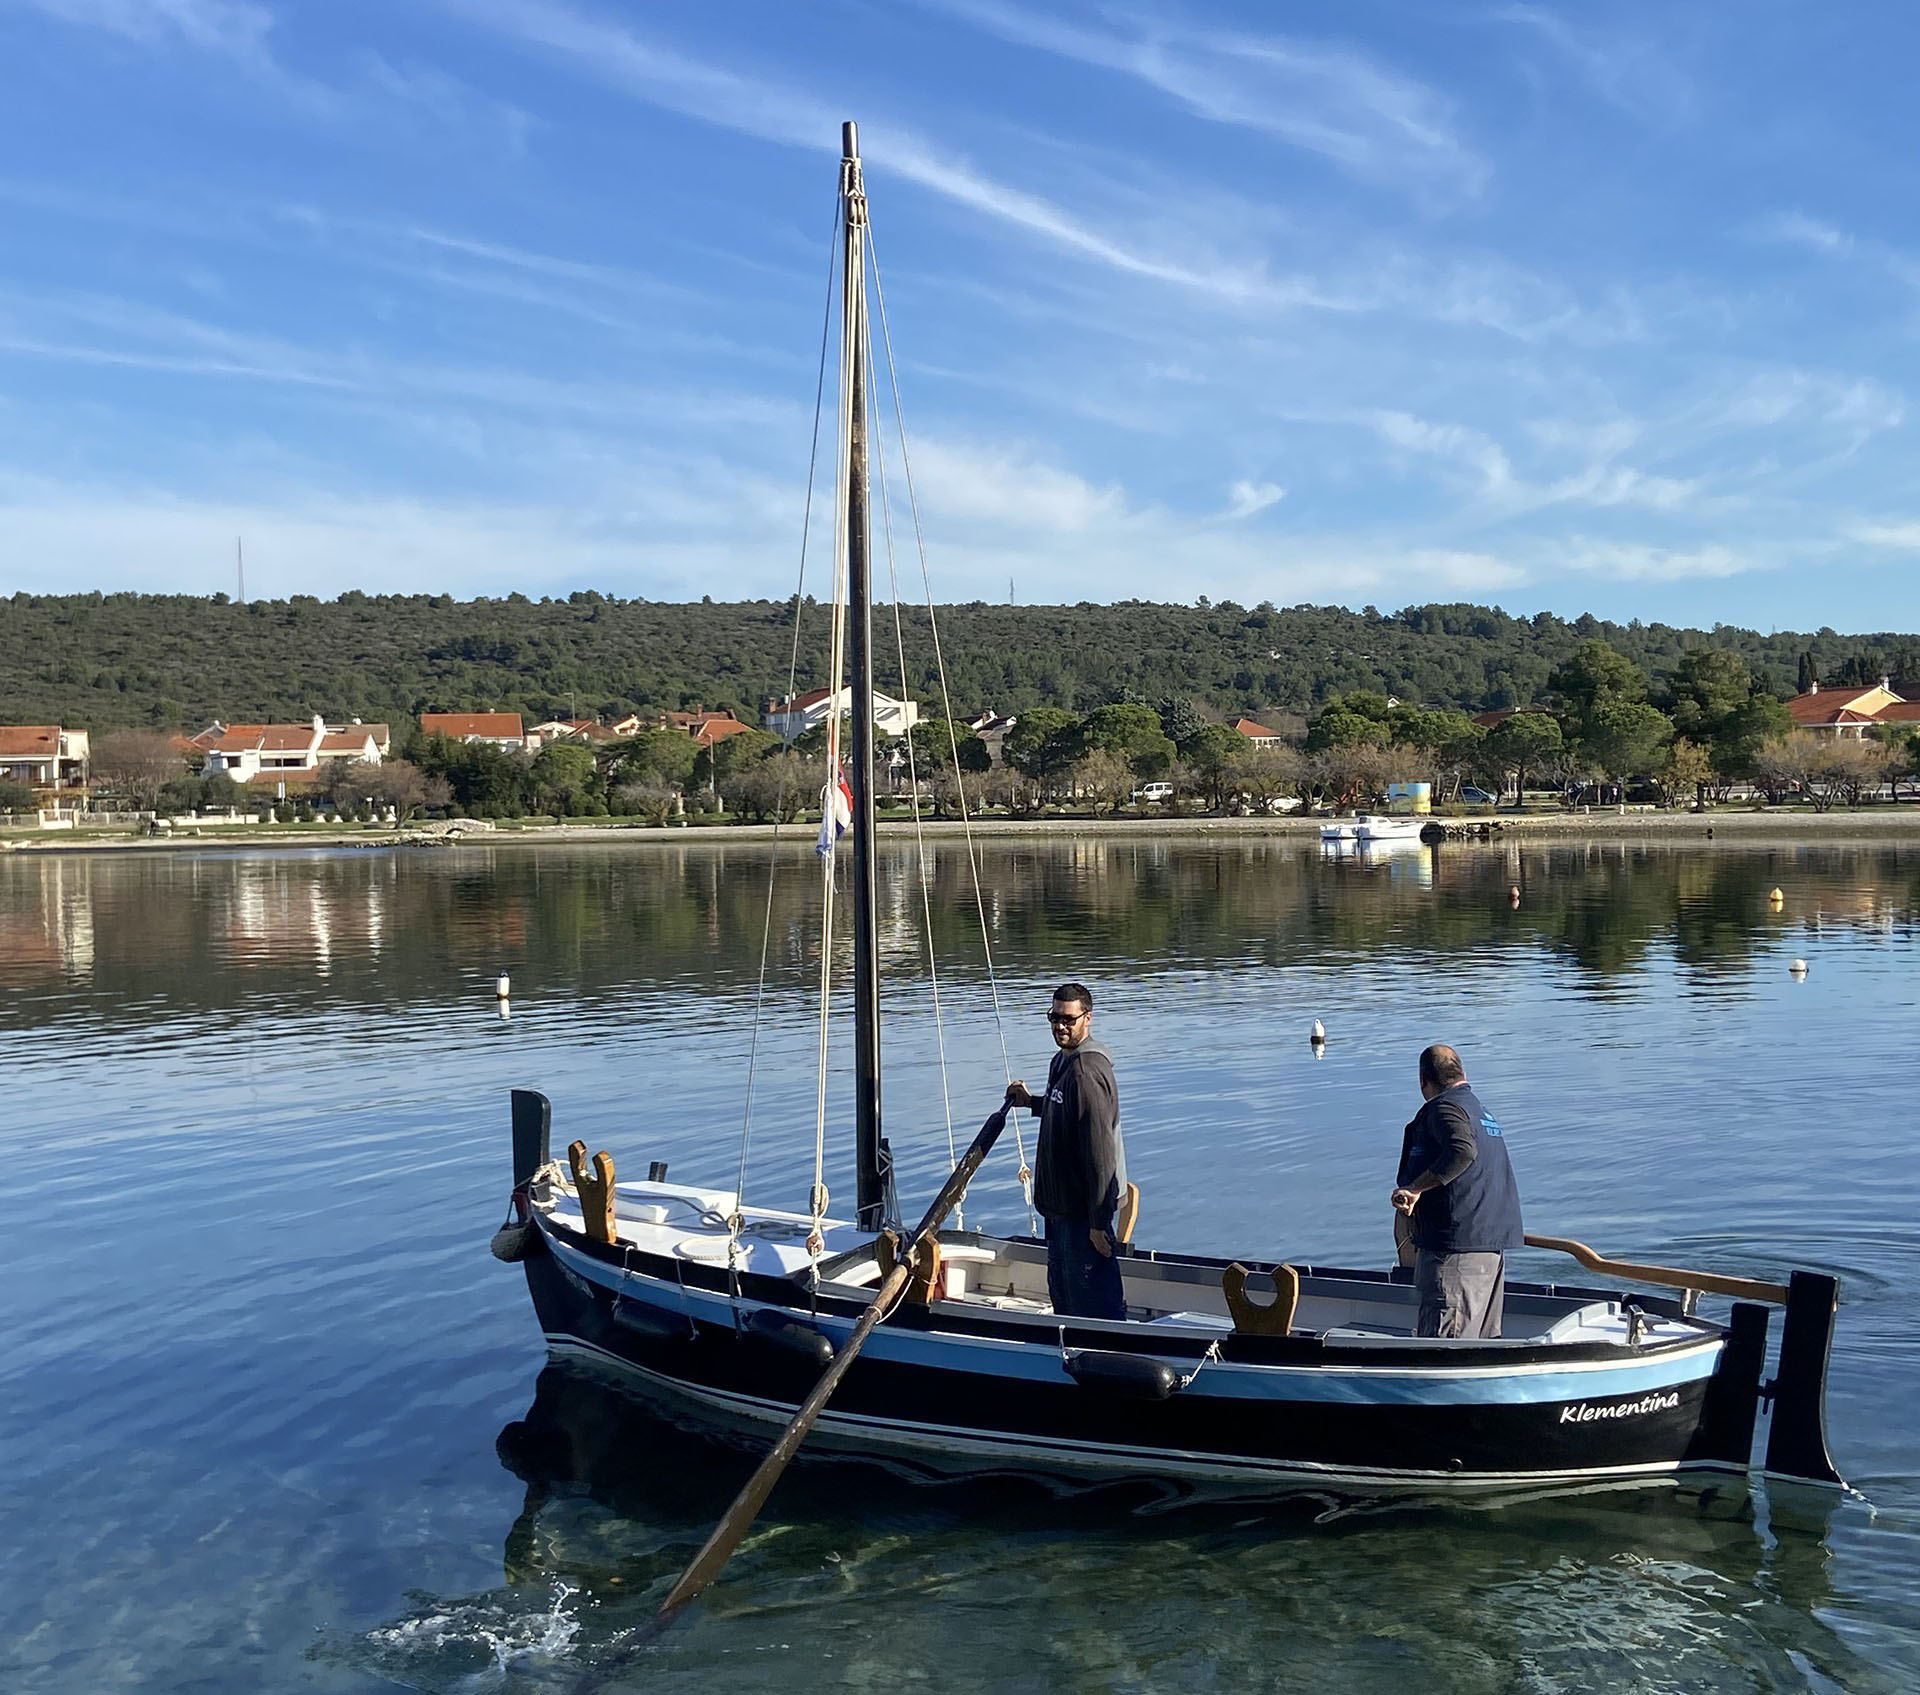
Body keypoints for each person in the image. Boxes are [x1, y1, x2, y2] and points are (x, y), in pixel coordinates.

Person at [1006, 983, 1128, 1321]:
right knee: (1064, 1298)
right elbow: (1066, 1109)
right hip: (1059, 1212)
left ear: (1087, 1019)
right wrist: (1030, 1102)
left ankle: (1107, 1357)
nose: (1060, 1026)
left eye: (1068, 1019)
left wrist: (1098, 1223)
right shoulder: (1063, 1062)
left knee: (1094, 1306)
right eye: (1054, 1017)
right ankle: (1069, 1350)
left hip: (1082, 1216)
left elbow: (1100, 1153)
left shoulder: (1086, 1072)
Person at [1390, 1044, 1523, 1339]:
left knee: (1443, 1348)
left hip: (1455, 1253)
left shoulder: (1444, 1108)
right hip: (1489, 1248)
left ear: (1423, 1079)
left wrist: (1415, 1188)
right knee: (1479, 1345)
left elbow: (1462, 1151)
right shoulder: (1479, 1111)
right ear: (1462, 1073)